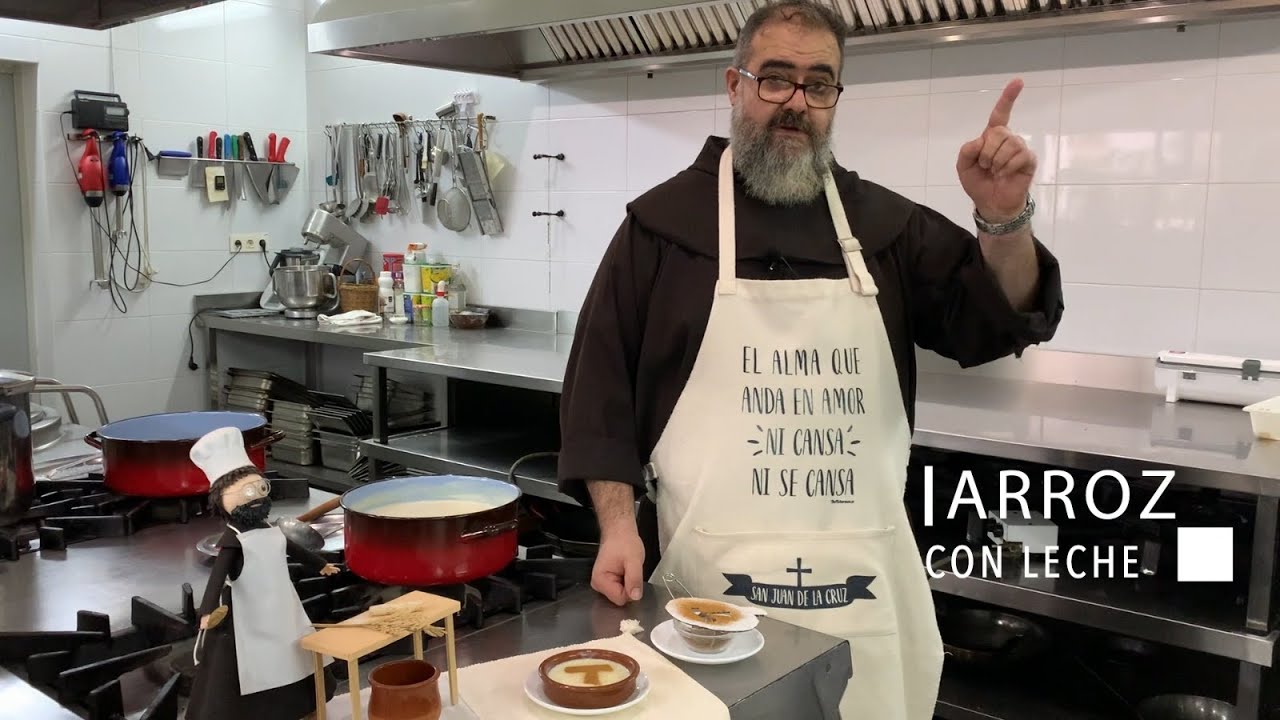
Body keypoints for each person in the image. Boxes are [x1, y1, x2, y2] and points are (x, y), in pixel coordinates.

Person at [557, 1, 1064, 718]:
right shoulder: (659, 230)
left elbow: (997, 321)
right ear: (735, 87)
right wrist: (615, 527)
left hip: (864, 593)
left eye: (819, 84)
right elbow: (599, 399)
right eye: (776, 79)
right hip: (707, 592)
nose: (797, 102)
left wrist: (1003, 220)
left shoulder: (886, 227)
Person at [187, 427, 340, 720]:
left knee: (295, 656)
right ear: (221, 500)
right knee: (249, 669)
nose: (255, 496)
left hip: (284, 611)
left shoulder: (270, 530)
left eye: (259, 488)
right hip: (248, 620)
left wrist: (319, 564)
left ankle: (303, 706)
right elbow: (217, 577)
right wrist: (207, 611)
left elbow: (292, 549)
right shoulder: (232, 540)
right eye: (245, 492)